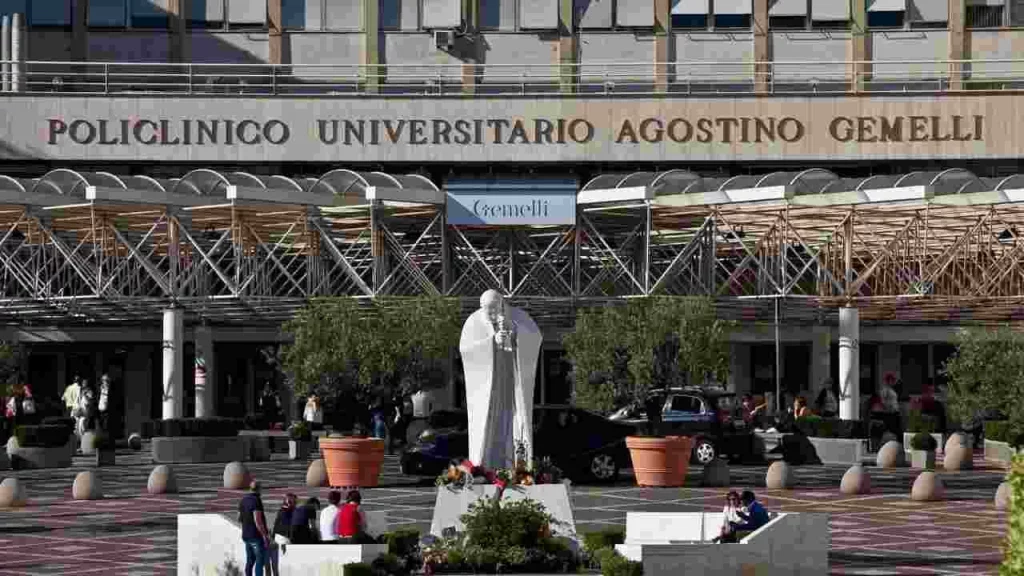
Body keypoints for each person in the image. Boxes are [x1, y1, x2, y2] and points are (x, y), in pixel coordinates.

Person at [237, 481, 269, 576]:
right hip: (256, 535)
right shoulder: (256, 500)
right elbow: (258, 520)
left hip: (246, 535)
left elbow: (239, 518)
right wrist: (264, 536)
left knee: (250, 561)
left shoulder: (243, 500)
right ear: (259, 489)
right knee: (260, 561)